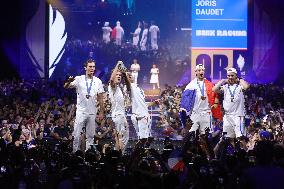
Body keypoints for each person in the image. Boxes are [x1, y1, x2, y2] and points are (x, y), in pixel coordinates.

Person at [64, 59, 105, 152]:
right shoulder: (79, 79)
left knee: (90, 136)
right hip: (81, 112)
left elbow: (100, 98)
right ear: (85, 68)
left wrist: (101, 112)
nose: (92, 68)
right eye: (90, 66)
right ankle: (75, 154)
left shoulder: (98, 81)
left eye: (93, 67)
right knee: (77, 134)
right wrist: (68, 81)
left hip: (92, 112)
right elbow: (66, 87)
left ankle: (88, 156)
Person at [179, 64, 222, 136]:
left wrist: (215, 105)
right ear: (196, 72)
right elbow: (185, 101)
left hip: (207, 113)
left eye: (202, 70)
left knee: (207, 137)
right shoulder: (191, 85)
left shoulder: (209, 84)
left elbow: (215, 95)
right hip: (195, 114)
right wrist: (185, 118)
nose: (201, 72)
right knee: (193, 136)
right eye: (199, 70)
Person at [212, 67, 250, 139]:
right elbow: (214, 89)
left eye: (232, 75)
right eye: (228, 76)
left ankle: (244, 150)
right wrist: (223, 80)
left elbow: (246, 86)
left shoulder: (240, 86)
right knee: (228, 138)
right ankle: (233, 150)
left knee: (240, 138)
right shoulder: (225, 87)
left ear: (235, 76)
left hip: (238, 115)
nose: (230, 77)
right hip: (227, 116)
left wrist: (239, 79)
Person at [108, 61, 131, 152]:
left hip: (122, 116)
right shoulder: (112, 86)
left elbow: (129, 86)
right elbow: (111, 79)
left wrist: (125, 74)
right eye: (116, 75)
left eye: (119, 75)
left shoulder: (119, 88)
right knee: (119, 139)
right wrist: (118, 64)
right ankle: (118, 159)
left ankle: (119, 154)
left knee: (125, 138)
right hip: (117, 116)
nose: (118, 76)